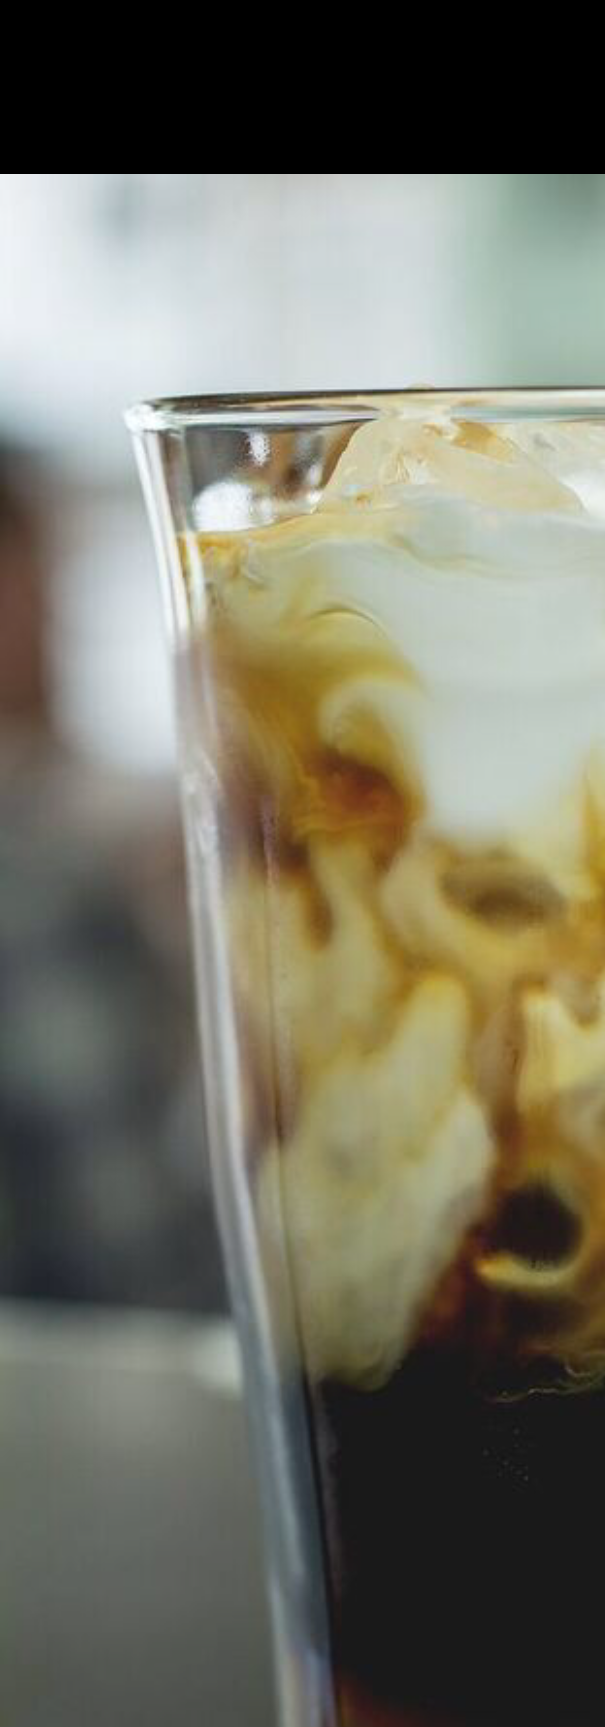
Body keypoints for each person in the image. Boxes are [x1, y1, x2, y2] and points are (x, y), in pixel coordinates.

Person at [0, 439, 224, 1309]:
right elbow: (139, 1261)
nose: (57, 612)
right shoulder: (37, 888)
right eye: (33, 573)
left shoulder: (76, 824)